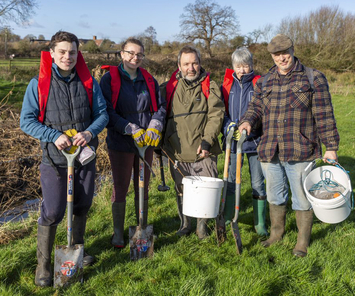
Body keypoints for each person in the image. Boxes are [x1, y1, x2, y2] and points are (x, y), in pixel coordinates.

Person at [20, 31, 109, 287]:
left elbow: (102, 114)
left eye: (72, 52)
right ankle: (44, 265)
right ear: (51, 54)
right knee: (54, 211)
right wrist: (53, 135)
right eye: (62, 52)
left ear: (77, 53)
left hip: (84, 157)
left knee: (82, 205)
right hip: (54, 160)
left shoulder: (88, 81)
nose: (67, 56)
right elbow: (26, 121)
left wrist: (90, 131)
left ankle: (76, 253)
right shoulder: (38, 84)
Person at [239, 34, 339, 257]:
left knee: (302, 197)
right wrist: (246, 120)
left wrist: (331, 146)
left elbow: (324, 115)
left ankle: (302, 242)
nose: (282, 58)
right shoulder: (264, 81)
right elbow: (255, 107)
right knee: (275, 195)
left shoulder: (313, 79)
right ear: (271, 56)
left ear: (293, 50)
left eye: (285, 52)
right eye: (276, 54)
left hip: (300, 148)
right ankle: (276, 234)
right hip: (270, 149)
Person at [99, 38, 166, 248]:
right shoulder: (109, 80)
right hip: (121, 142)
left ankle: (141, 227)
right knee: (120, 187)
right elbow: (106, 111)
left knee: (142, 185)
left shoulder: (149, 79)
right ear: (121, 54)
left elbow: (160, 107)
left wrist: (155, 124)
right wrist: (130, 128)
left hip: (145, 143)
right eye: (130, 53)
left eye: (139, 54)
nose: (134, 58)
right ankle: (118, 233)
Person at [161, 46, 224, 239]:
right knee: (181, 189)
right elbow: (159, 116)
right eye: (186, 64)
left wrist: (207, 142)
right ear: (179, 65)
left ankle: (202, 228)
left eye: (194, 63)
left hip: (202, 150)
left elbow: (216, 116)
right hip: (176, 150)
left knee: (203, 191)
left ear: (200, 63)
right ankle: (185, 224)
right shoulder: (167, 88)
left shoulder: (210, 87)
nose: (191, 68)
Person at [221, 47, 268, 236]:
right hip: (233, 143)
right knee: (231, 180)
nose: (242, 70)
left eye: (246, 66)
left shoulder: (259, 84)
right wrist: (228, 126)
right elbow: (221, 112)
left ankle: (260, 223)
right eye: (238, 66)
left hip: (255, 142)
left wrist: (253, 127)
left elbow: (265, 111)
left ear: (252, 66)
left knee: (258, 182)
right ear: (233, 67)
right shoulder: (227, 86)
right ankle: (228, 217)